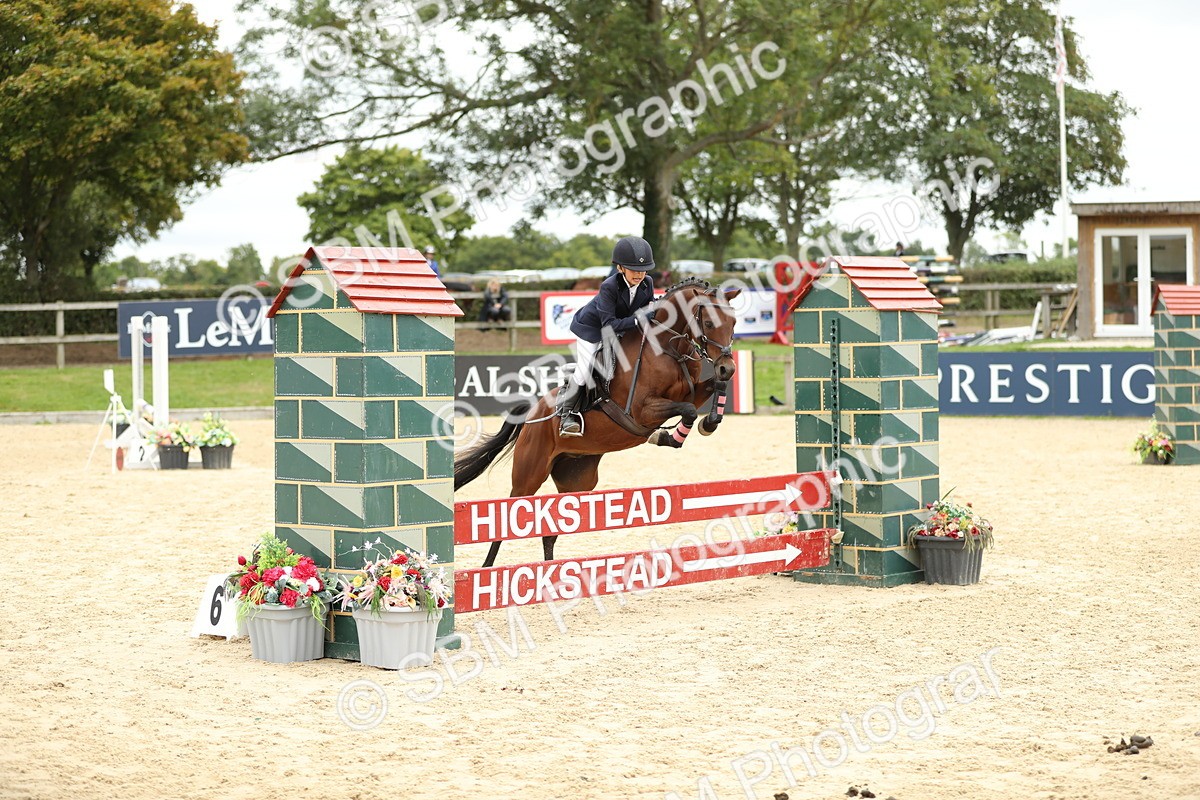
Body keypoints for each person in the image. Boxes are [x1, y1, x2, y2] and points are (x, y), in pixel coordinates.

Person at [556, 235, 656, 436]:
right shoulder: (609, 286)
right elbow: (609, 325)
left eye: (643, 270)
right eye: (634, 270)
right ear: (620, 268)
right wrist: (639, 320)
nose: (639, 275)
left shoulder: (648, 283)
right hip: (592, 329)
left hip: (621, 326)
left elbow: (648, 310)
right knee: (585, 370)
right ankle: (566, 415)